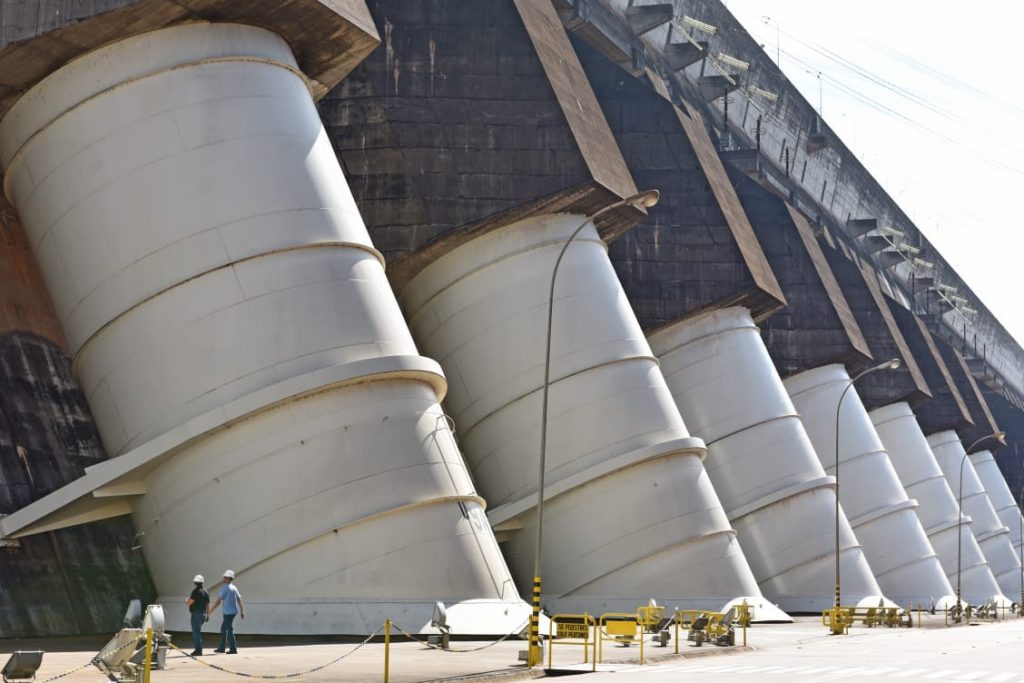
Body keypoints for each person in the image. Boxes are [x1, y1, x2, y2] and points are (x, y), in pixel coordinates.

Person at [209, 570, 245, 654]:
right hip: (233, 612)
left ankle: (233, 649)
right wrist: (242, 611)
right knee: (224, 629)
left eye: (225, 577)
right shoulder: (234, 587)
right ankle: (221, 648)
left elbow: (219, 600)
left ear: (229, 579)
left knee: (229, 630)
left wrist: (211, 610)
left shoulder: (226, 588)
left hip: (228, 613)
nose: (223, 579)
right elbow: (239, 599)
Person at [185, 574, 210, 656]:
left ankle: (198, 650)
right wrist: (208, 615)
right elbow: (207, 604)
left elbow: (190, 602)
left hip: (196, 614)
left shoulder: (195, 591)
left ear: (195, 582)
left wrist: (186, 601)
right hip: (203, 614)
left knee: (196, 632)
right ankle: (198, 649)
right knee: (197, 632)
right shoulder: (206, 591)